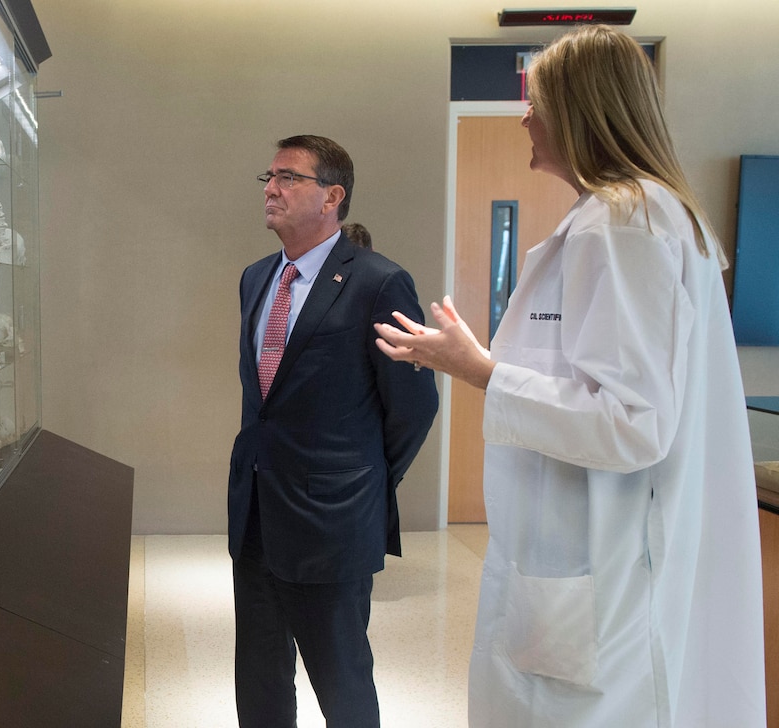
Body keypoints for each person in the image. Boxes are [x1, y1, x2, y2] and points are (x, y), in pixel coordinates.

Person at [374, 25, 765, 727]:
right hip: (599, 562)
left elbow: (632, 424)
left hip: (604, 572)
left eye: (538, 101)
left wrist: (483, 371)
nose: (525, 116)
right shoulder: (643, 215)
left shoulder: (623, 222)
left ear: (585, 110)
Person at [229, 134, 438, 727]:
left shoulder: (379, 282)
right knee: (260, 679)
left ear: (332, 196)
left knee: (342, 682)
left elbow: (414, 407)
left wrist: (362, 480)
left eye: (289, 178)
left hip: (331, 523)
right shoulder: (255, 278)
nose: (271, 188)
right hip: (256, 516)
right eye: (268, 176)